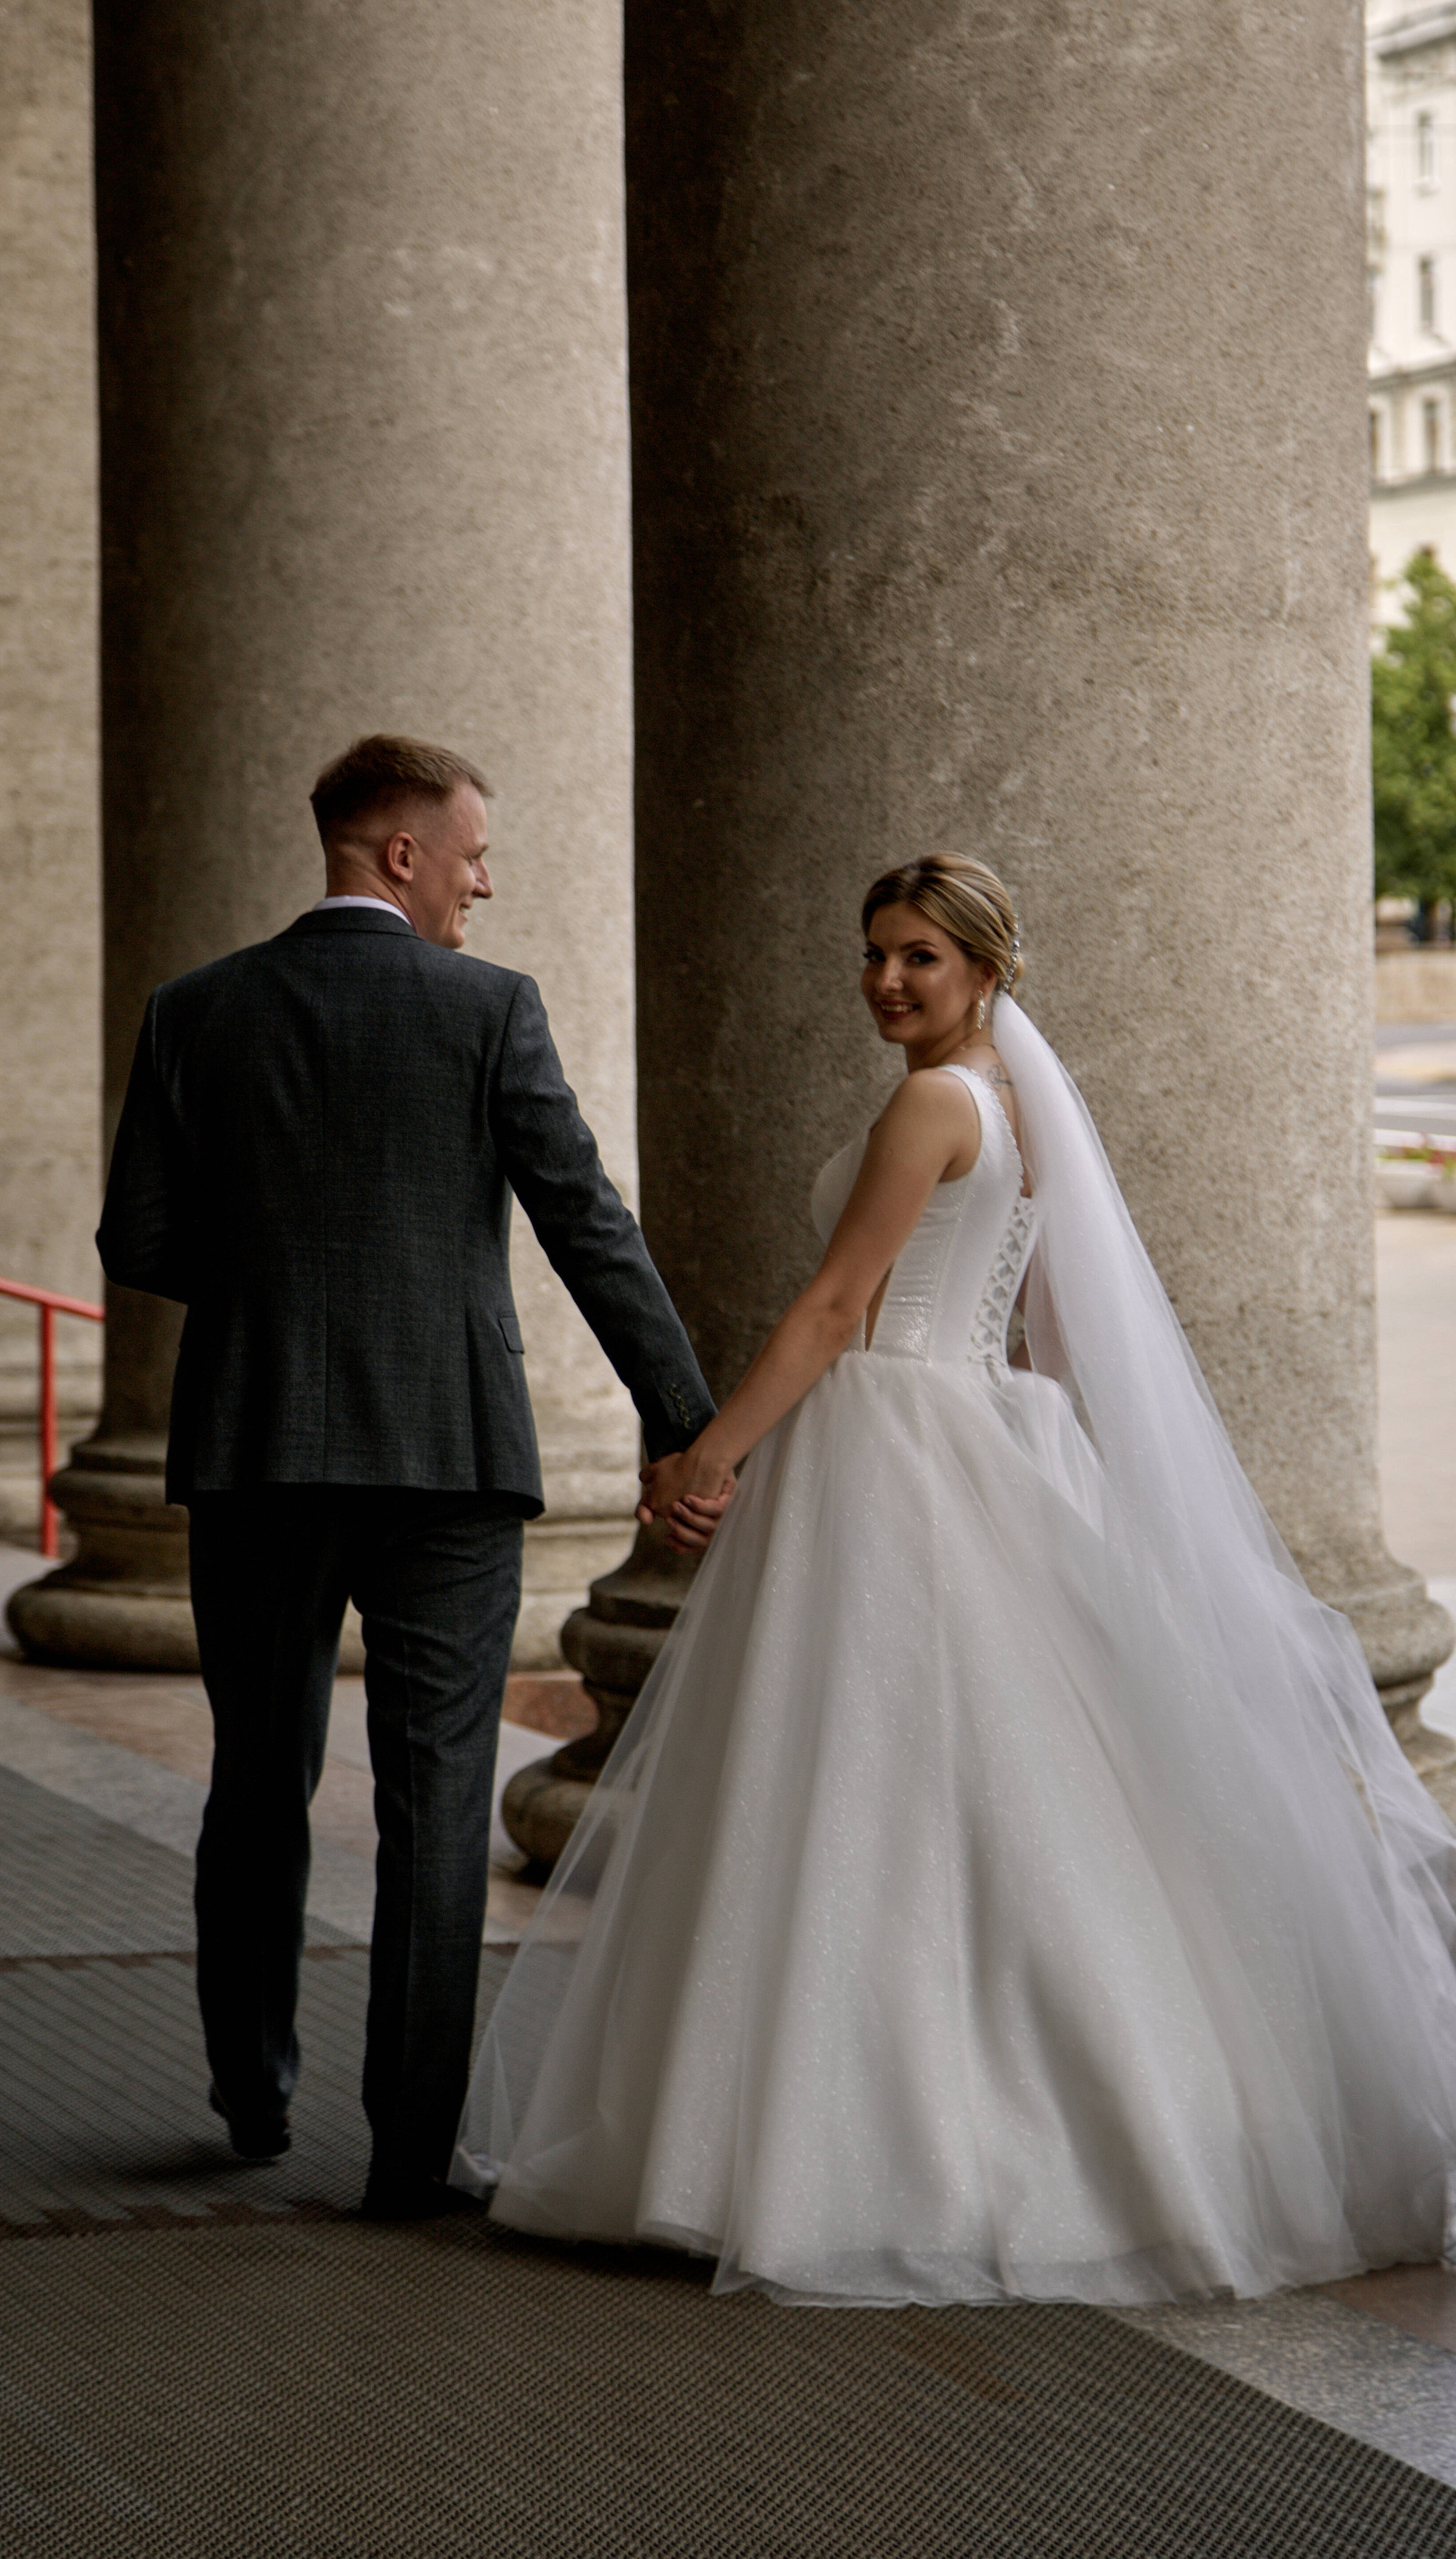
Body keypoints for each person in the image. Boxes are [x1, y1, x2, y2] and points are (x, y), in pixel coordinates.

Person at [456, 851, 1456, 2306]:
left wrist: (703, 1456)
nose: (886, 981)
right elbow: (1030, 1329)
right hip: (965, 1437)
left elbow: (837, 1307)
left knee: (861, 1794)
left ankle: (857, 2152)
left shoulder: (930, 1101)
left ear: (983, 971)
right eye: (874, 953)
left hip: (897, 1445)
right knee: (963, 1800)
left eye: (919, 959)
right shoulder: (1018, 1110)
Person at [96, 734, 717, 2220]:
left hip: (254, 1452)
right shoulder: (488, 1011)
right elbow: (585, 1220)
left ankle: (251, 2090)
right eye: (470, 855)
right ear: (399, 853)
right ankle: (406, 2151)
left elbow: (139, 1245)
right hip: (446, 1455)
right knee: (440, 1801)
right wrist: (683, 1416)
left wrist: (278, 1292)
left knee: (259, 1777)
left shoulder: (193, 1013)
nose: (481, 884)